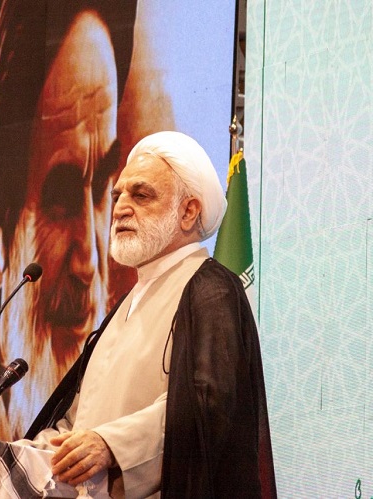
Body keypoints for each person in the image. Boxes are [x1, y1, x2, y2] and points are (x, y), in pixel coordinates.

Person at [22, 131, 277, 498]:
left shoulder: (211, 290)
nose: (120, 208)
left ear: (188, 212)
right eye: (118, 196)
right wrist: (19, 455)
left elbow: (209, 407)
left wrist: (112, 445)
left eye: (141, 195)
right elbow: (79, 424)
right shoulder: (125, 304)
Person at [0, 0, 139, 439]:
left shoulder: (135, 404)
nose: (90, 263)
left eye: (103, 186)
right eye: (60, 201)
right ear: (5, 219)